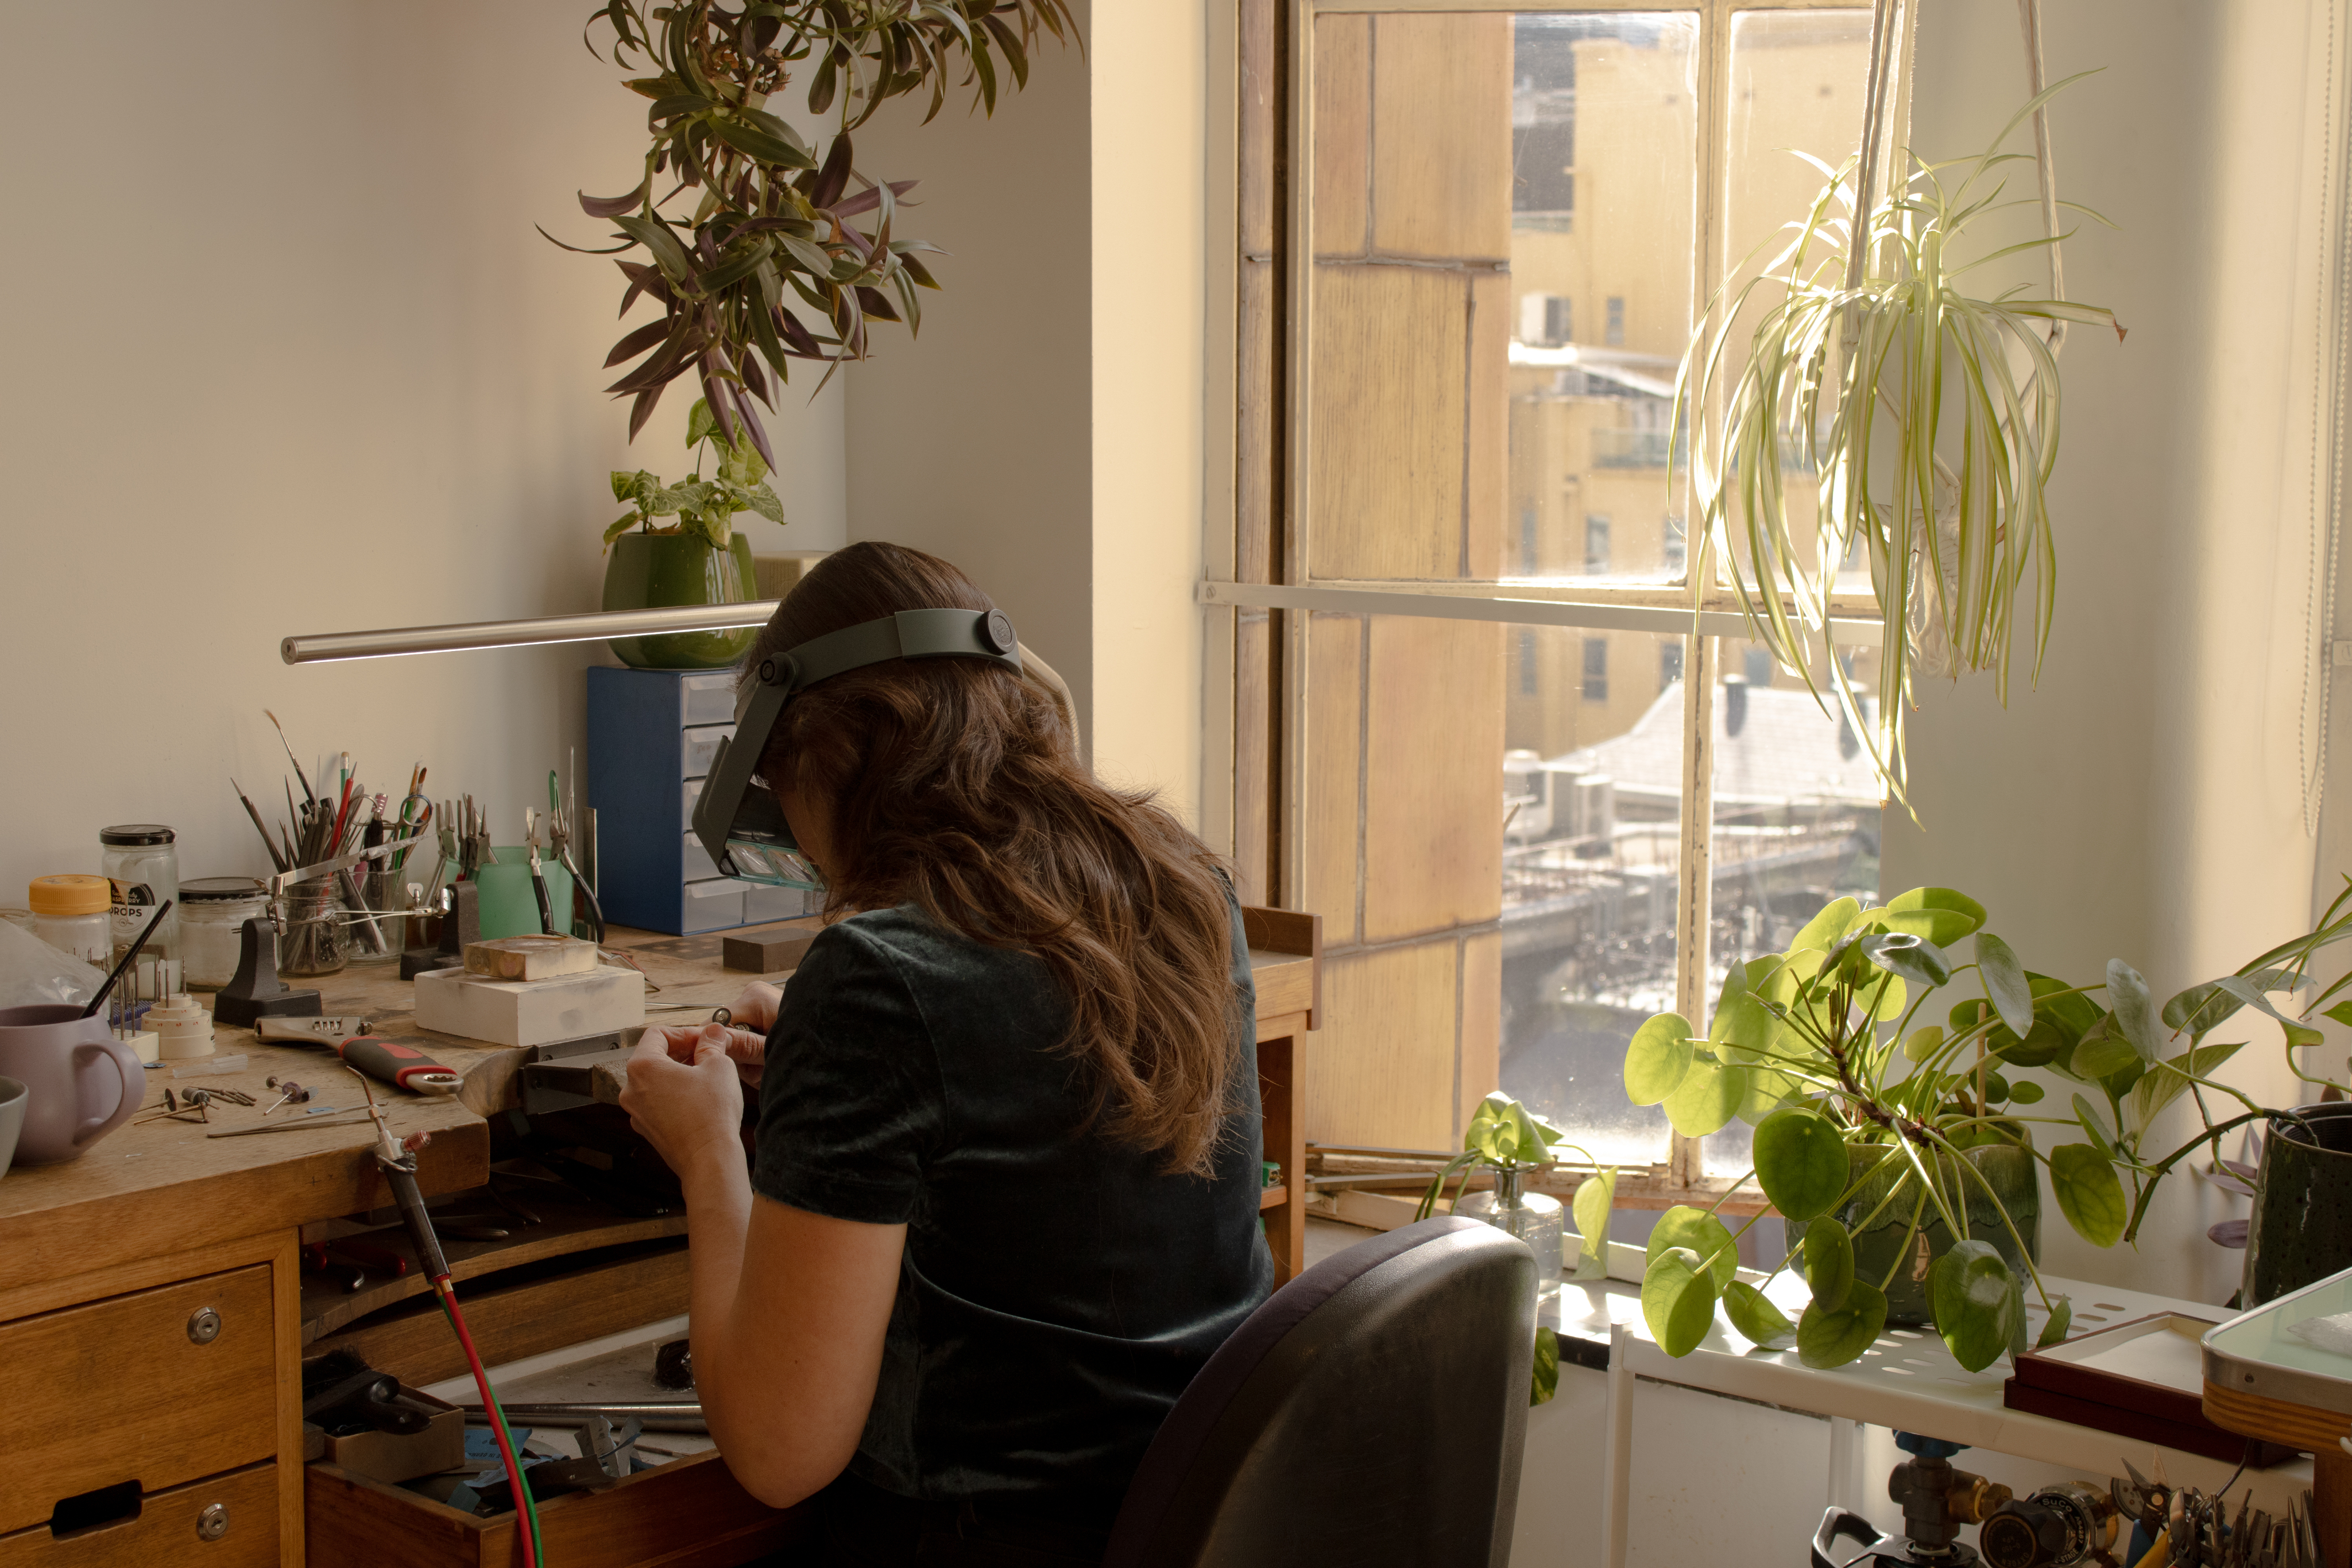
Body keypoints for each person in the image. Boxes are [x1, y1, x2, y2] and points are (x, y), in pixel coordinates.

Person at [620, 541, 1275, 1566]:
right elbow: (1028, 1066)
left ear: (827, 756)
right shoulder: (1191, 895)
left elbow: (778, 1451)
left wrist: (709, 1152)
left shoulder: (874, 976)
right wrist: (830, 1057)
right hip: (1185, 1518)